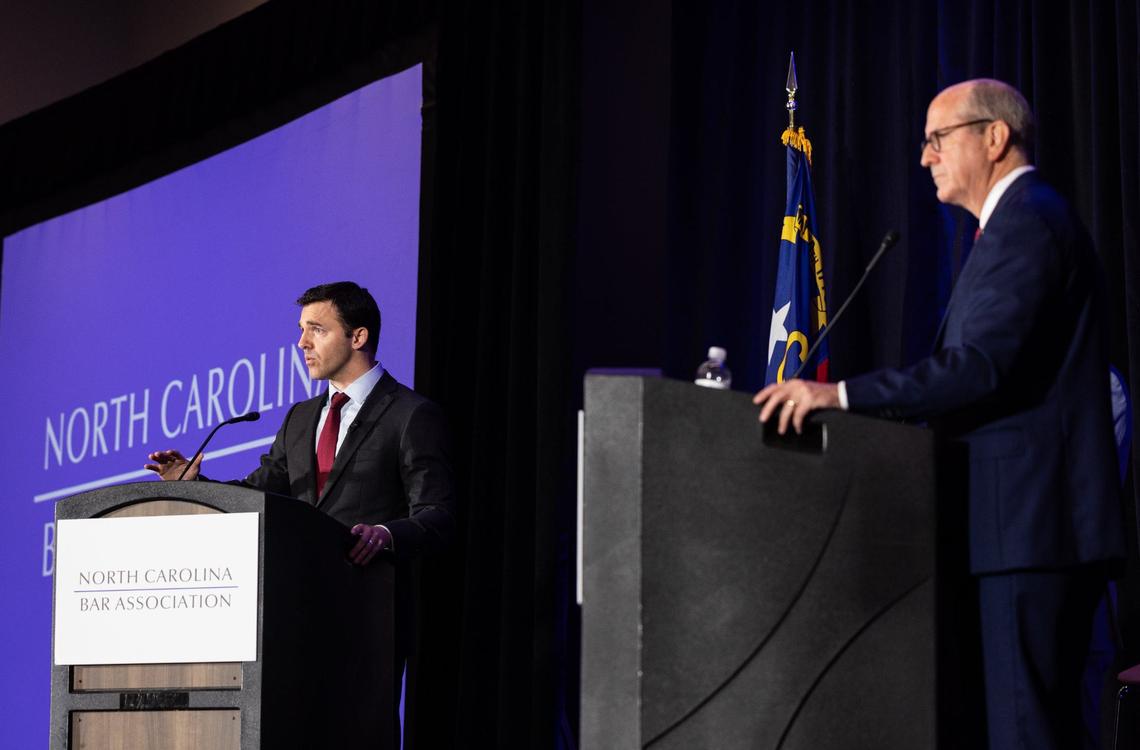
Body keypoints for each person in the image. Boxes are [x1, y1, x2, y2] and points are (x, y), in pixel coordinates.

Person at [753, 79, 1125, 749]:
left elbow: (981, 367)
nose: (925, 157)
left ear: (994, 136)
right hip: (1018, 529)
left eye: (937, 139)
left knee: (1026, 733)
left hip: (1030, 530)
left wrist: (838, 396)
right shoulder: (1012, 227)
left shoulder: (1030, 222)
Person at [146, 280, 456, 741]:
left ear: (358, 337)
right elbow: (259, 494)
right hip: (294, 613)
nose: (302, 342)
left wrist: (387, 535)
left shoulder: (410, 414)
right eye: (301, 329)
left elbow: (438, 513)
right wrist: (196, 485)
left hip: (367, 613)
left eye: (317, 329)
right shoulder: (299, 418)